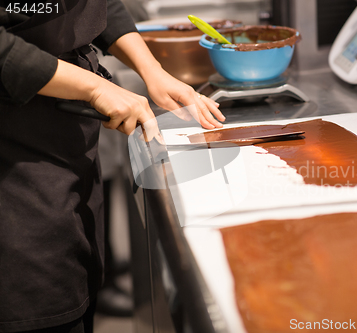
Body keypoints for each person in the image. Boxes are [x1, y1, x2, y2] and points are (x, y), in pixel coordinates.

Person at [0, 0, 225, 332]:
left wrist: (153, 71)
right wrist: (94, 87)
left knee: (76, 285)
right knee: (40, 301)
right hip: (16, 158)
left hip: (67, 144)